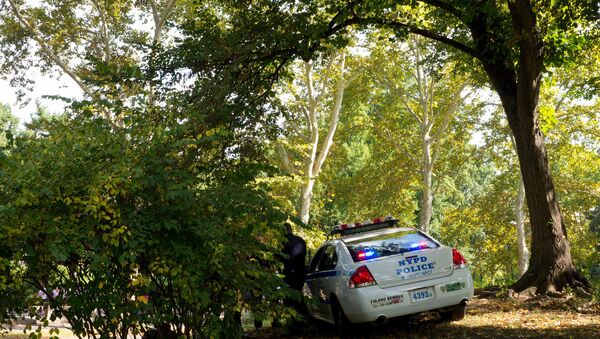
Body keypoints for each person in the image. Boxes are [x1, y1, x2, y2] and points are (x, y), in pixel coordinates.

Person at [280, 223, 307, 329]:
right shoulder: (300, 240)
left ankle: (292, 326)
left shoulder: (283, 242)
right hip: (300, 274)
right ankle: (301, 323)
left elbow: (281, 258)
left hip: (288, 275)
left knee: (289, 301)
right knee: (299, 299)